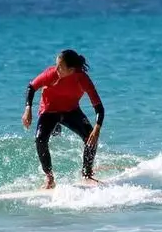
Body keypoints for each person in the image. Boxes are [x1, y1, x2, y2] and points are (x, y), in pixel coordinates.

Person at [22, 49, 105, 189]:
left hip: (71, 111)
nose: (56, 69)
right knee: (40, 140)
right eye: (56, 65)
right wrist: (28, 109)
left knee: (90, 137)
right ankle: (49, 178)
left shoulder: (82, 79)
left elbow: (99, 107)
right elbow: (31, 87)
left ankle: (87, 174)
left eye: (60, 66)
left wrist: (97, 129)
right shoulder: (51, 74)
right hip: (49, 111)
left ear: (71, 69)